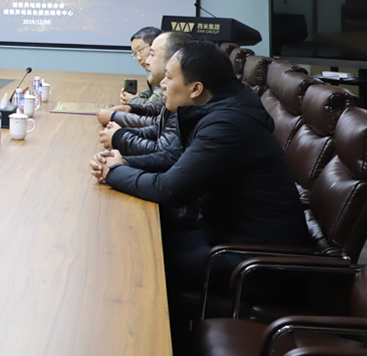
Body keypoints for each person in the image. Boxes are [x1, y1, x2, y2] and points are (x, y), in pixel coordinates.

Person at [91, 40, 308, 349]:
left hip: (254, 262)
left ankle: (142, 346)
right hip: (222, 235)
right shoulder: (222, 105)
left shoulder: (228, 124)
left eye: (169, 77)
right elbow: (175, 159)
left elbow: (170, 189)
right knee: (128, 243)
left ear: (195, 88)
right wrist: (123, 163)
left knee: (135, 263)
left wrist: (114, 173)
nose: (162, 84)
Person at [98, 31, 192, 157]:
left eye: (152, 54)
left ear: (173, 59)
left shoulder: (184, 99)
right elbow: (157, 122)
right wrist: (129, 109)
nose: (146, 61)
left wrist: (118, 134)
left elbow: (163, 154)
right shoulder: (173, 92)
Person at [122, 26, 163, 106]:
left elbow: (154, 105)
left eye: (140, 50)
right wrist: (138, 96)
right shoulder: (152, 68)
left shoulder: (165, 69)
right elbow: (153, 91)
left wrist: (133, 100)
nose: (138, 58)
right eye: (135, 54)